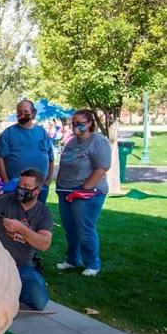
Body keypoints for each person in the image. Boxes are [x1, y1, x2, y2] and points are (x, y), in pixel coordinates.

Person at [0, 168, 53, 311]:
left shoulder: (44, 212)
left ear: (37, 191)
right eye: (20, 185)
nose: (21, 189)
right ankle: (2, 288)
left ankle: (8, 289)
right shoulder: (6, 200)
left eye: (27, 187)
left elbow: (44, 244)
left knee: (39, 302)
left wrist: (21, 229)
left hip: (21, 265)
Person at [55, 109, 111, 277]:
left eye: (80, 123)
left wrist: (85, 188)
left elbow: (102, 167)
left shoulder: (98, 141)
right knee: (70, 228)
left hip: (86, 194)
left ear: (90, 123)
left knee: (85, 229)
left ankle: (93, 264)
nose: (76, 126)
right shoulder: (71, 142)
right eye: (74, 123)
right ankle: (73, 260)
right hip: (65, 191)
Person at [0, 99, 54, 203]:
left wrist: (48, 181)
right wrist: (6, 181)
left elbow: (51, 158)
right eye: (19, 112)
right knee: (14, 216)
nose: (22, 114)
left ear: (33, 113)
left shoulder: (42, 132)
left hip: (40, 187)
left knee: (37, 215)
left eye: (26, 112)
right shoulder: (8, 133)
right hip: (16, 187)